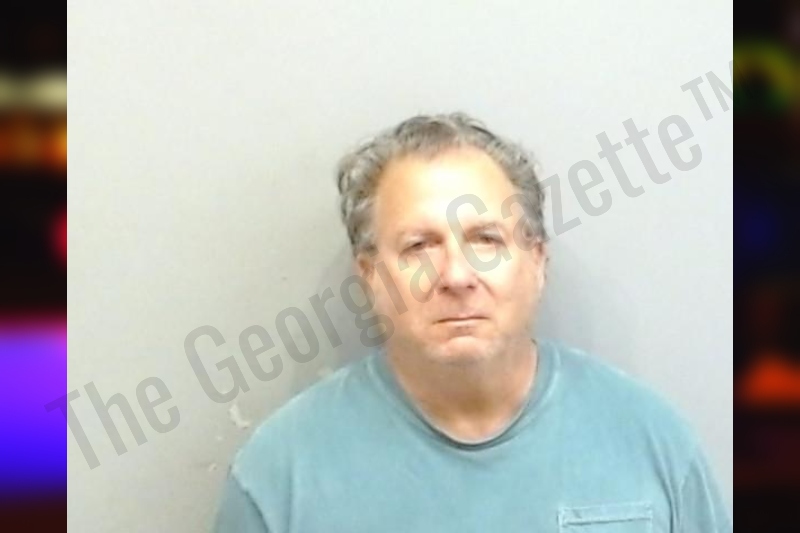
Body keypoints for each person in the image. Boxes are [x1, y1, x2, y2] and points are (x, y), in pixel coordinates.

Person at [213, 112, 731, 532]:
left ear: (537, 262)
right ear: (370, 276)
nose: (457, 276)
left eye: (486, 240)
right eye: (420, 246)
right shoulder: (282, 476)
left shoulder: (650, 443)